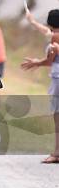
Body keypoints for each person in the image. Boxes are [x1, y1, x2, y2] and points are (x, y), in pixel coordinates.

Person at [22, 9, 59, 163]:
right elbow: (47, 32)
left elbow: (51, 60)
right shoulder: (54, 34)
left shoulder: (55, 37)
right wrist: (33, 22)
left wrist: (37, 62)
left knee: (57, 116)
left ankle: (57, 153)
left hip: (58, 78)